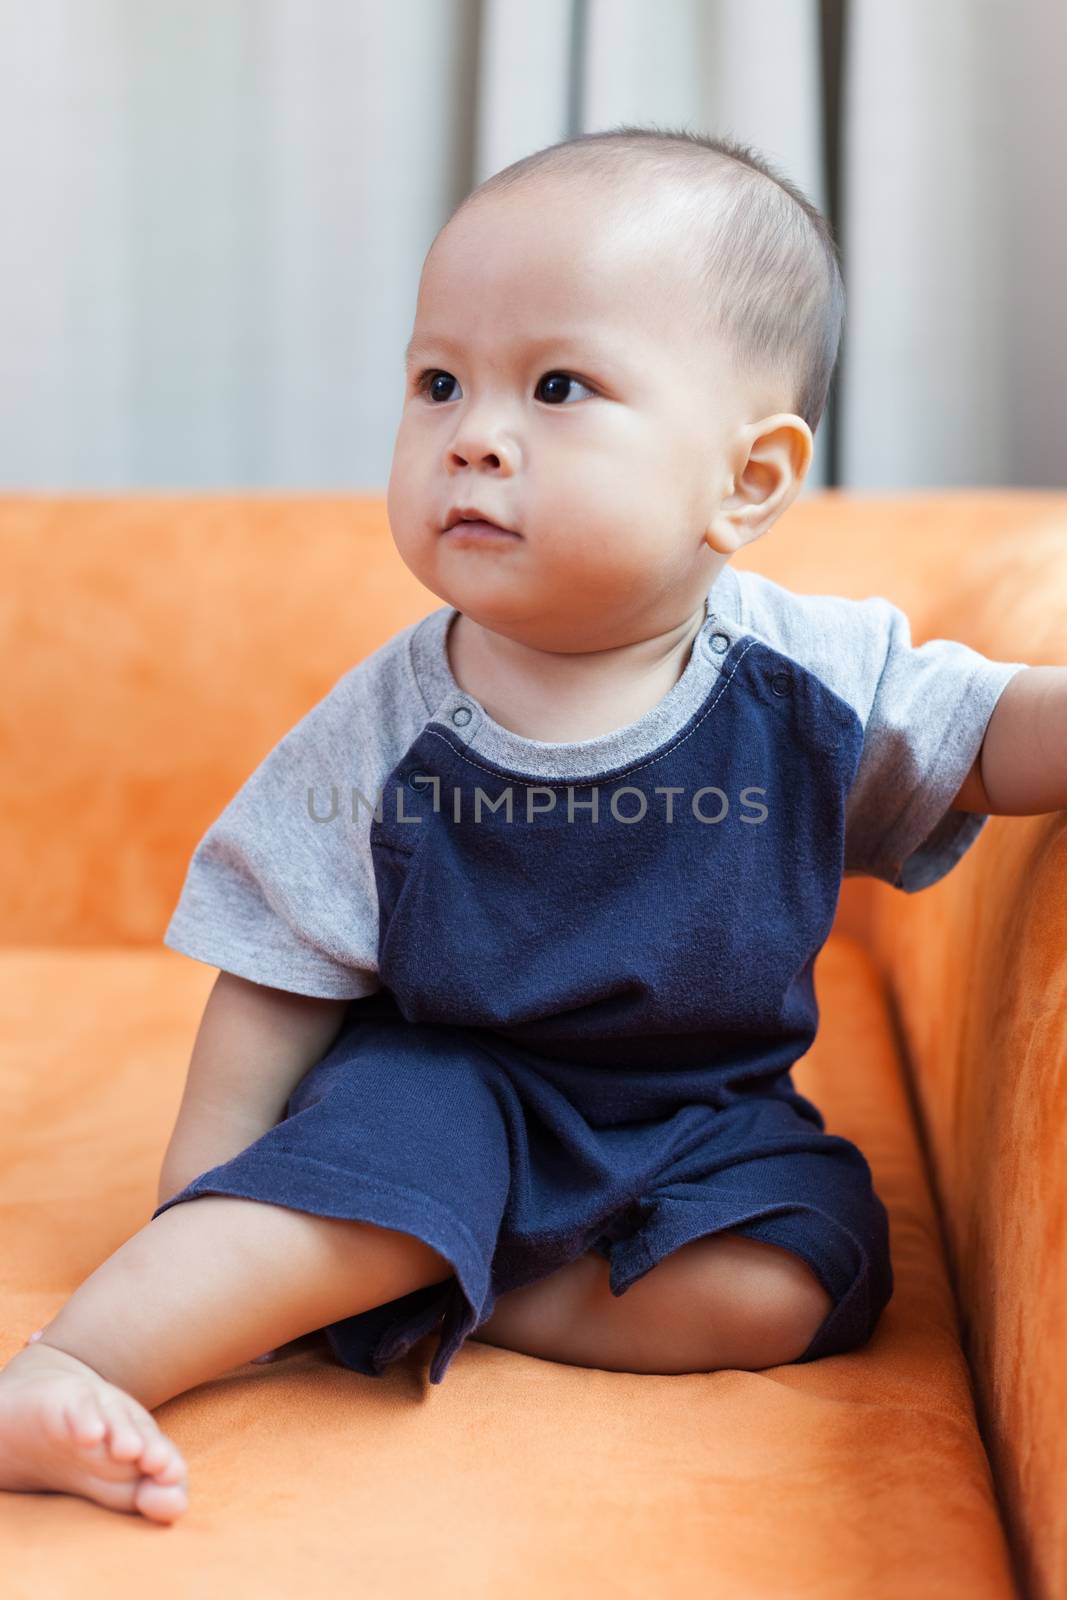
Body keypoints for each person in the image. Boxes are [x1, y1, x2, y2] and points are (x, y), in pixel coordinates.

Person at [1, 126, 1061, 1527]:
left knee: (806, 1279)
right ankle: (62, 1371)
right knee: (329, 1202)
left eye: (557, 387)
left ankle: (461, 1285)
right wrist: (211, 1189)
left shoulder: (814, 677)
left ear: (747, 481)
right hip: (451, 1086)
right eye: (438, 382)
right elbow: (278, 944)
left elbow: (988, 734)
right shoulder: (391, 722)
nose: (472, 434)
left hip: (699, 1113)